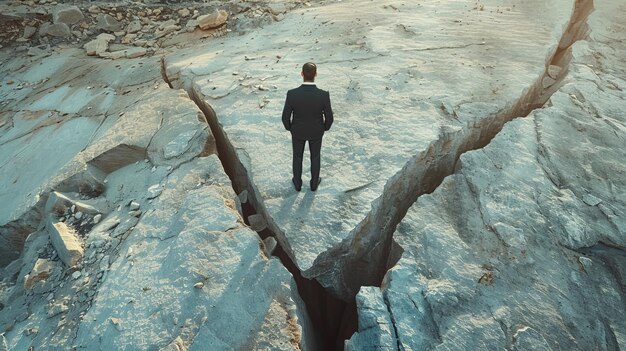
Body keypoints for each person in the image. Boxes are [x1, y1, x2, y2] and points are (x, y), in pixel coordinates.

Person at [282, 62, 334, 192]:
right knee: (315, 156)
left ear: (301, 74)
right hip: (316, 131)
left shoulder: (292, 94)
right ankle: (314, 183)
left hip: (298, 131)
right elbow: (329, 117)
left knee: (297, 156)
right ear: (316, 74)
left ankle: (298, 183)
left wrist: (290, 128)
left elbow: (285, 117)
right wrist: (324, 128)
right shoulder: (323, 95)